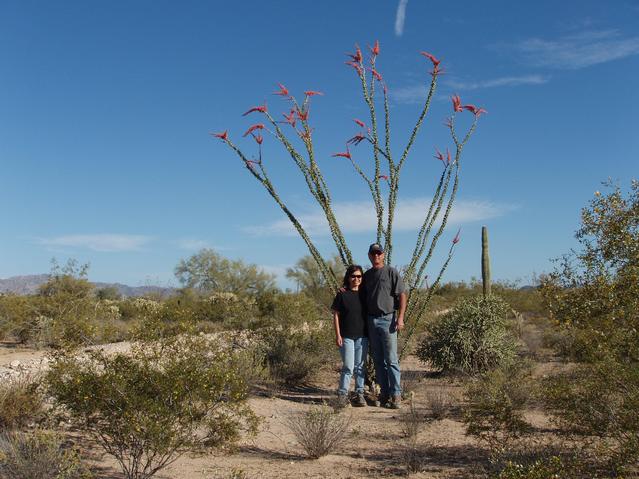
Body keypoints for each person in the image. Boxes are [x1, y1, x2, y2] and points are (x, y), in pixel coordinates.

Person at [361, 243, 407, 409]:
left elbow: (402, 295)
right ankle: (384, 393)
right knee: (378, 360)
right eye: (373, 254)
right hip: (371, 320)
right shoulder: (366, 276)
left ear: (383, 254)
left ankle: (396, 394)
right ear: (369, 255)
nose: (376, 256)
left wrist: (400, 318)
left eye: (379, 253)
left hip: (388, 319)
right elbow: (357, 292)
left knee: (391, 359)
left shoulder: (391, 272)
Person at [331, 264, 368, 408]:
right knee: (348, 366)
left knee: (360, 367)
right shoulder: (342, 294)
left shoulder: (365, 294)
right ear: (348, 277)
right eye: (353, 276)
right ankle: (342, 395)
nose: (356, 279)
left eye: (359, 276)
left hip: (362, 336)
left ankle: (359, 394)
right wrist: (338, 335)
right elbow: (335, 315)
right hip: (346, 336)